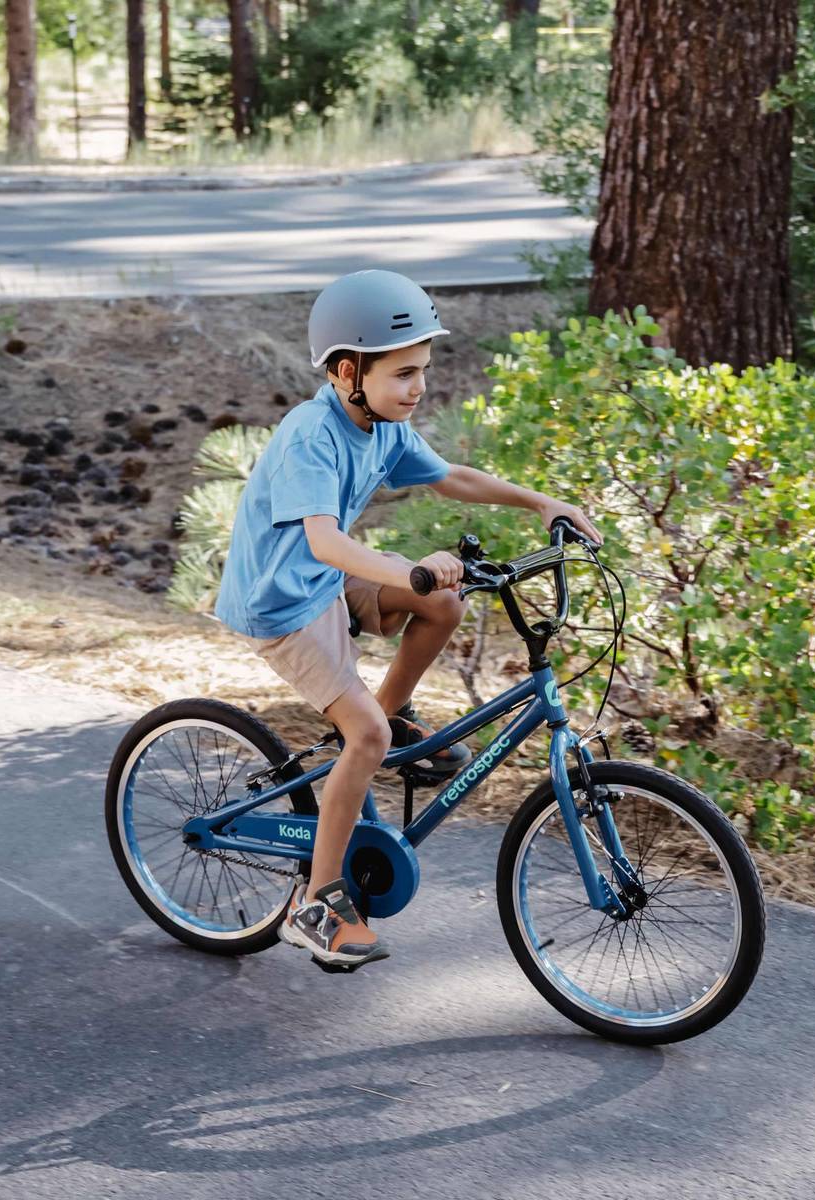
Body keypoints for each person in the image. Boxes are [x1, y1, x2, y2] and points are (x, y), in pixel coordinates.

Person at [214, 269, 602, 970]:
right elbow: (323, 542)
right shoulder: (312, 435)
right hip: (285, 602)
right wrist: (410, 568)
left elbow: (452, 476)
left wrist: (542, 502)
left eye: (423, 370)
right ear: (346, 372)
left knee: (444, 601)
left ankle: (388, 722)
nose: (418, 387)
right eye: (403, 373)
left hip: (329, 581)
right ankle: (318, 903)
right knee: (362, 734)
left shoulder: (382, 424)